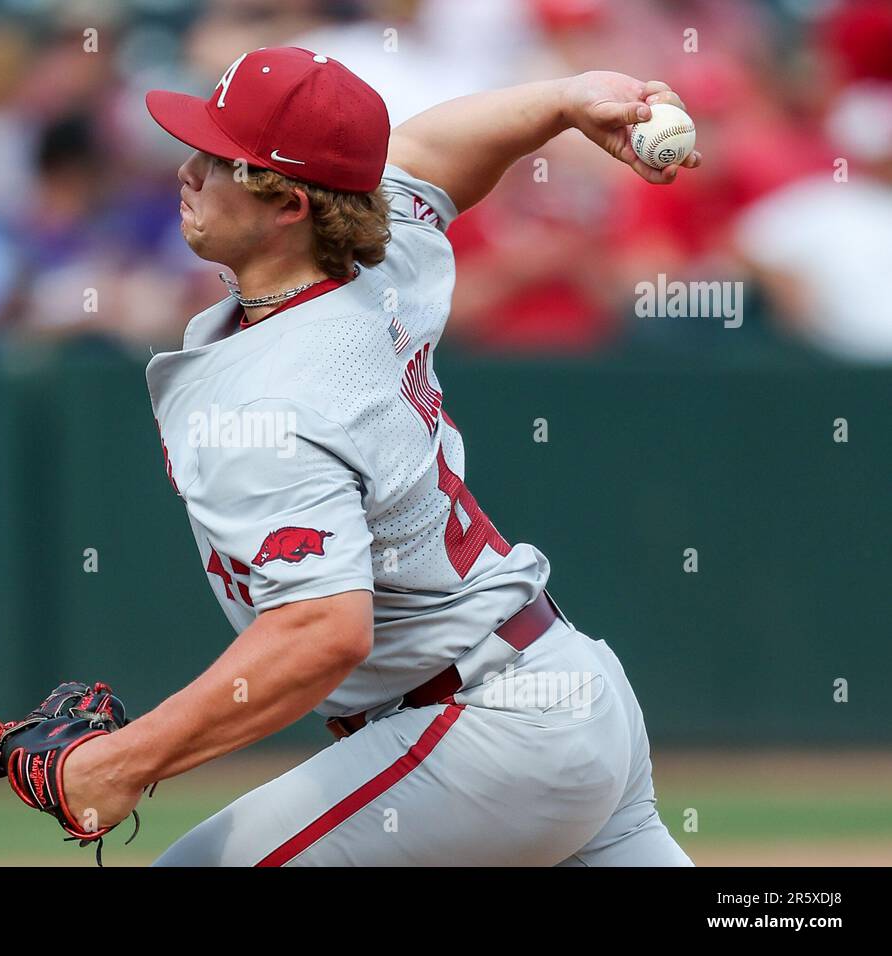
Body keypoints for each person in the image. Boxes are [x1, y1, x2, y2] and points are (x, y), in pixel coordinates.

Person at [58, 46, 698, 865]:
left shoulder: (273, 404)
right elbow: (430, 155)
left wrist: (123, 762)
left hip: (487, 731)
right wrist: (565, 101)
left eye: (219, 160)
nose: (187, 170)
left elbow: (323, 633)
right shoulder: (379, 250)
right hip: (566, 690)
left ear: (290, 203)